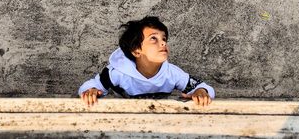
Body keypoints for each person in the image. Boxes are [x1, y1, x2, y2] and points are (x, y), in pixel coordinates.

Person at [78, 16, 215, 107]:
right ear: (136, 51)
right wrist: (91, 91)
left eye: (164, 39)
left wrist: (201, 92)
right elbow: (91, 86)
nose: (162, 43)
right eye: (153, 39)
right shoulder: (116, 73)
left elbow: (201, 86)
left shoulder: (172, 73)